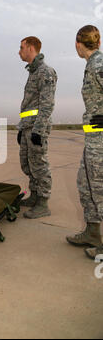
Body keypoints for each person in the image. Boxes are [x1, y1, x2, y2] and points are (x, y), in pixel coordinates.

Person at [66, 26, 103, 260]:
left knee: (99, 191)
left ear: (79, 44)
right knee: (85, 184)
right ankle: (92, 232)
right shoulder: (92, 65)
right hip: (93, 137)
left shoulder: (98, 64)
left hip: (101, 139)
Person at [18, 37, 58, 219]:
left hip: (36, 128)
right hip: (27, 127)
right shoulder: (33, 72)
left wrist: (38, 130)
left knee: (39, 164)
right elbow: (29, 105)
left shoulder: (45, 72)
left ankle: (43, 202)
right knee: (28, 164)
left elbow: (47, 104)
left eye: (22, 47)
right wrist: (21, 128)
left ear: (31, 48)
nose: (19, 51)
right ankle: (34, 195)